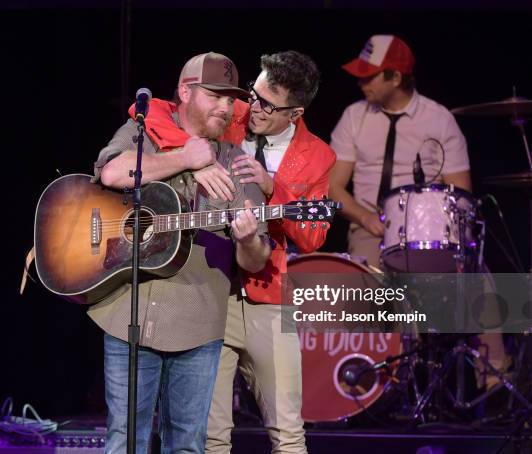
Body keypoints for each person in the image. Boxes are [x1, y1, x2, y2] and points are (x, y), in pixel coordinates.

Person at [89, 52, 271, 454]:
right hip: (129, 317)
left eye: (231, 99)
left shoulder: (237, 164)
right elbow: (111, 173)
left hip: (197, 323)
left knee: (187, 445)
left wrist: (247, 240)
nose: (226, 107)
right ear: (186, 91)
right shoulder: (144, 133)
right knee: (124, 442)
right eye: (216, 96)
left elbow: (256, 260)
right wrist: (185, 159)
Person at [329, 34, 507, 393]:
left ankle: (494, 379)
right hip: (368, 228)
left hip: (426, 229)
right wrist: (366, 220)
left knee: (478, 277)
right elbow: (333, 188)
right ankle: (370, 388)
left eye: (369, 76)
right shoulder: (354, 117)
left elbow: (462, 195)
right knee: (359, 285)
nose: (360, 82)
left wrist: (430, 226)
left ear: (395, 77)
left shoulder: (438, 120)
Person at [205, 51, 336, 454]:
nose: (254, 108)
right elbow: (166, 114)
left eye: (267, 104)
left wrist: (272, 188)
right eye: (254, 94)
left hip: (269, 295)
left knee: (287, 433)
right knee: (210, 436)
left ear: (295, 113)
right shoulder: (230, 116)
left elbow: (313, 238)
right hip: (210, 291)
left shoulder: (318, 155)